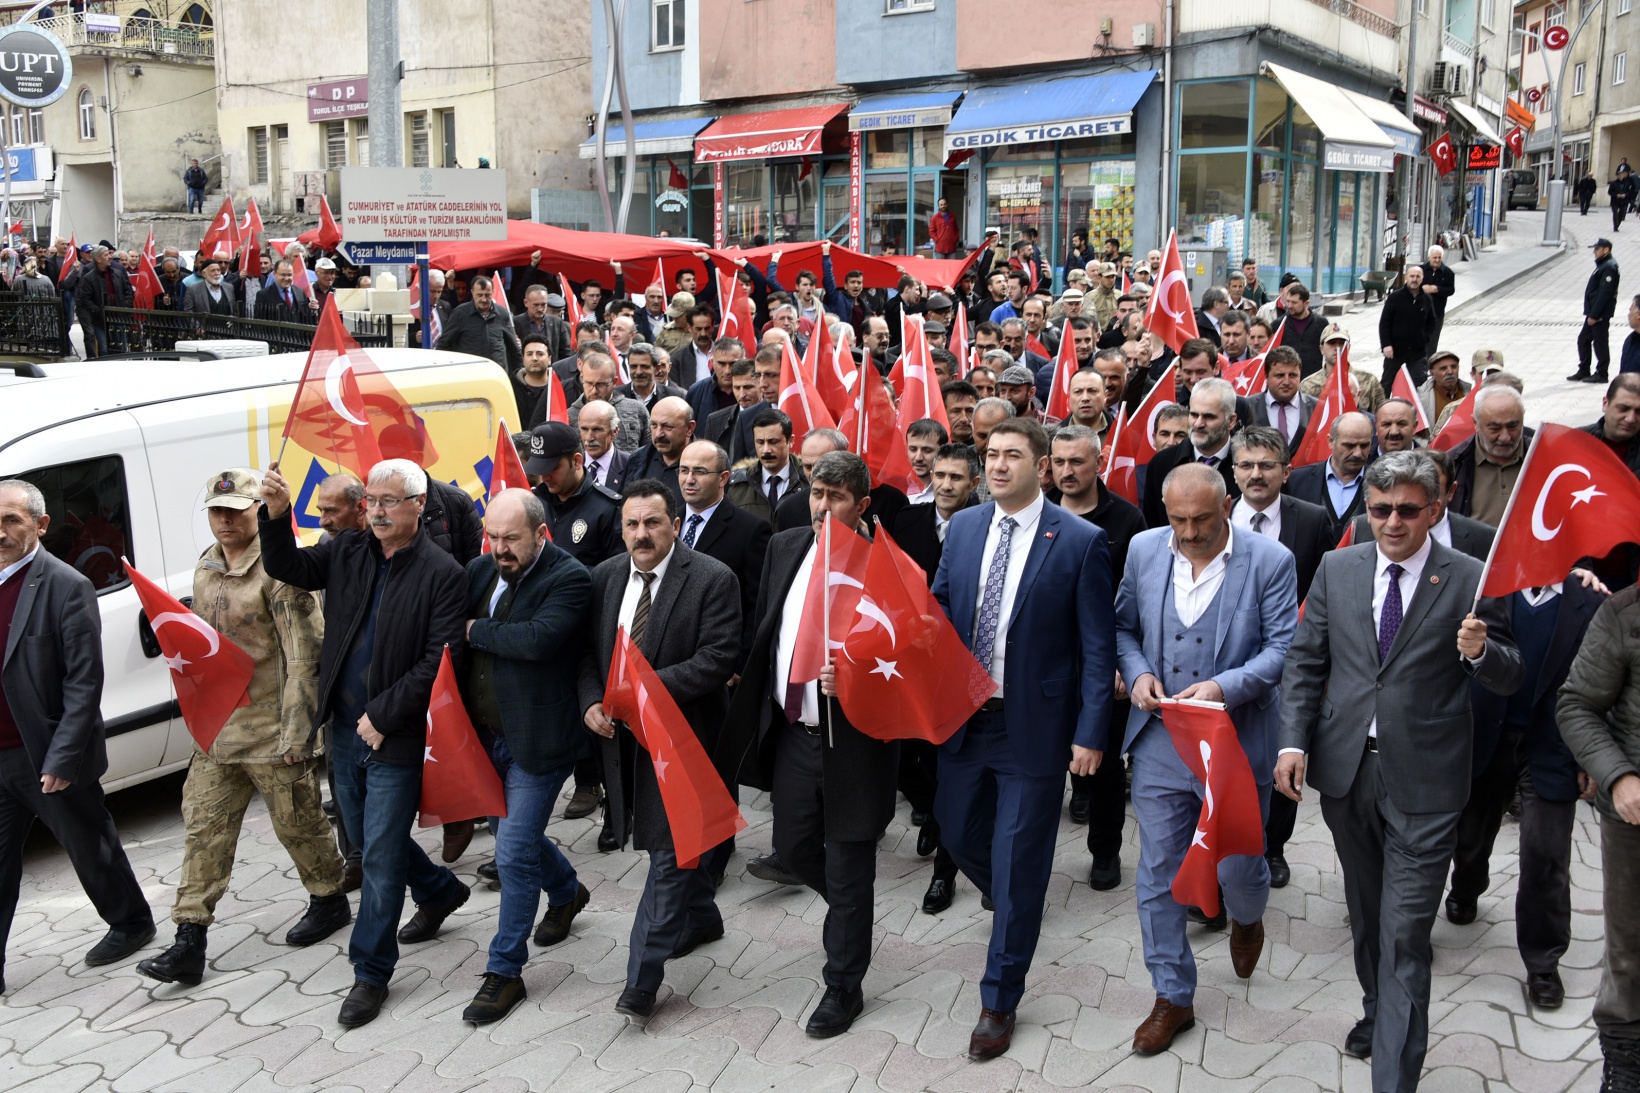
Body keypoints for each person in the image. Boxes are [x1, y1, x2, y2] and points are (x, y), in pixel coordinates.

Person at [1276, 451, 1522, 1093]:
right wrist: (1291, 743)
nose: (1391, 523)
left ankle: (1395, 1077)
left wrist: (1481, 653)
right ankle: (1377, 1008)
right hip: (1349, 774)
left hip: (1428, 782)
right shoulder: (1339, 567)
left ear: (1435, 510)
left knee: (1406, 932)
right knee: (1367, 913)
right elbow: (1306, 662)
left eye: (1407, 511)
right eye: (1379, 509)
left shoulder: (1471, 576)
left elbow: (1509, 672)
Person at [257, 458, 471, 1028]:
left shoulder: (443, 573)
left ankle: (370, 972)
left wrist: (385, 714)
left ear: (418, 506)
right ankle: (439, 890)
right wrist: (275, 515)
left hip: (393, 736)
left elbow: (439, 660)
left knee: (376, 853)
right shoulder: (349, 551)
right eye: (371, 501)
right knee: (373, 841)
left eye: (388, 501)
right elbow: (287, 566)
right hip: (343, 732)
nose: (375, 511)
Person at [932, 417, 1114, 1059]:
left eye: (1013, 454)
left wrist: (1091, 733)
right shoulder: (966, 527)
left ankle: (998, 998)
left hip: (1032, 728)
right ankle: (1017, 894)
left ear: (1041, 465)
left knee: (1016, 860)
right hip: (965, 718)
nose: (999, 465)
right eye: (992, 454)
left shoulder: (1081, 542)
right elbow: (938, 610)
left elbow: (1098, 649)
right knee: (957, 833)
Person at [136, 469, 347, 987]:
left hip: (273, 727)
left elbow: (305, 657)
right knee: (204, 828)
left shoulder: (278, 569)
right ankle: (189, 940)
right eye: (216, 510)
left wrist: (300, 735)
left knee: (298, 825)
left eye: (236, 509)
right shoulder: (207, 565)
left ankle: (329, 898)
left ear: (259, 510)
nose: (225, 520)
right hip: (219, 730)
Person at [717, 452, 900, 1037]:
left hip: (855, 743)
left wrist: (857, 674)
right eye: (817, 493)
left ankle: (843, 984)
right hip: (795, 732)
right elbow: (766, 625)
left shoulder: (887, 564)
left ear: (862, 504)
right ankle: (853, 914)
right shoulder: (785, 545)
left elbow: (910, 651)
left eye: (836, 496)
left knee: (848, 868)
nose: (822, 507)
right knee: (794, 851)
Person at [1116, 462, 1296, 1054]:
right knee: (1159, 871)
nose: (1188, 533)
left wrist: (1223, 687)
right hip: (1162, 740)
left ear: (1226, 508)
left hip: (1235, 746)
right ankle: (1172, 995)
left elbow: (1281, 650)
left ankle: (1246, 918)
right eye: (1177, 520)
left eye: (1200, 520)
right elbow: (1122, 627)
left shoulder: (1270, 561)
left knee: (1239, 869)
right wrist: (1137, 671)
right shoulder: (1145, 549)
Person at [579, 480, 740, 1019]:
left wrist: (639, 688)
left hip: (685, 742)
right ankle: (703, 917)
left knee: (670, 856)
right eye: (631, 524)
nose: (641, 534)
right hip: (625, 747)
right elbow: (586, 657)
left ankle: (641, 982)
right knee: (664, 846)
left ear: (675, 523)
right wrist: (591, 704)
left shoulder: (713, 579)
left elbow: (718, 658)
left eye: (652, 523)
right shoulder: (604, 577)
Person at [0, 479, 156, 989]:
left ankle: (132, 923)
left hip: (45, 752)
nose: (1, 532)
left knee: (90, 846)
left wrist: (62, 758)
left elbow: (84, 680)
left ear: (41, 525)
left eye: (11, 520)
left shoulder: (66, 585)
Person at [457, 489, 593, 1023]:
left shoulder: (569, 577)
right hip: (484, 738)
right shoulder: (478, 570)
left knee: (512, 853)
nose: (499, 548)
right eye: (491, 537)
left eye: (510, 538)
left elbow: (538, 640)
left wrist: (477, 631)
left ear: (541, 534)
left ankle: (504, 971)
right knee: (523, 836)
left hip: (537, 741)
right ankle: (565, 891)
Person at [1444, 573, 1605, 1008]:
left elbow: (1605, 680)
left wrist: (1592, 756)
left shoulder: (1590, 600)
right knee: (1472, 833)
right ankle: (1466, 886)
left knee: (1545, 854)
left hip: (1552, 746)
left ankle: (1543, 961)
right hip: (1488, 737)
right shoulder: (1491, 584)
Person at [1050, 426, 1144, 888]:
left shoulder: (1127, 521)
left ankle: (1105, 852)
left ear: (1098, 463)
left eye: (1077, 462)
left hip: (1102, 665)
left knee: (1104, 763)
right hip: (1046, 664)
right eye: (1059, 462)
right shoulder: (1037, 514)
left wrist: (1124, 663)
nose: (1067, 471)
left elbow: (1138, 599)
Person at [1557, 587, 1640, 1093]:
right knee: (1630, 953)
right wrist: (1617, 776)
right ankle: (1626, 1060)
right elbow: (1577, 705)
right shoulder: (1623, 615)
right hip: (1633, 819)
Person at [677, 440, 771, 673]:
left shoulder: (751, 530)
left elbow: (757, 605)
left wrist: (739, 665)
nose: (689, 479)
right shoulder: (665, 522)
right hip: (669, 661)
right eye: (684, 470)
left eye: (699, 472)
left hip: (718, 667)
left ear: (723, 478)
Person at [1143, 378, 1241, 530]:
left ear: (1231, 421)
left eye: (1209, 417)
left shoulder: (1248, 465)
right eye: (1194, 415)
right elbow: (1153, 527)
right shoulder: (1161, 463)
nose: (1198, 424)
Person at [1446, 385, 1531, 527]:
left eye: (1512, 426)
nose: (1505, 437)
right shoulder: (1452, 464)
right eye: (1494, 429)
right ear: (1476, 424)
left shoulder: (1545, 457)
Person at [1285, 411, 1374, 542]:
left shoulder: (1380, 484)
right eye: (1349, 445)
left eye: (1364, 445)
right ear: (1330, 441)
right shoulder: (1296, 481)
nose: (1357, 453)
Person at [726, 409, 806, 526]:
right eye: (760, 442)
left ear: (790, 441)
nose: (766, 450)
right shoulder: (737, 486)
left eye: (773, 442)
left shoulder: (809, 481)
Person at [438, 274, 523, 374]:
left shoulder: (502, 313)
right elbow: (444, 344)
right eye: (479, 295)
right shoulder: (460, 313)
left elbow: (513, 348)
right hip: (469, 375)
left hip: (496, 375)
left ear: (493, 293)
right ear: (472, 292)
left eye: (487, 295)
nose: (484, 299)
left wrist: (519, 373)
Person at [1572, 238, 1621, 384]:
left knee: (1600, 343)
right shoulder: (1603, 265)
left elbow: (1605, 294)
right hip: (1594, 312)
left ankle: (1602, 373)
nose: (1594, 251)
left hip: (1599, 314)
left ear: (1606, 250)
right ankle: (1584, 369)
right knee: (1583, 340)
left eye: (1597, 249)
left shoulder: (1609, 267)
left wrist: (1594, 314)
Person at [1378, 265, 1432, 391]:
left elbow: (1432, 321)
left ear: (1422, 279)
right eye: (1412, 276)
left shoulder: (1426, 299)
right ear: (1406, 277)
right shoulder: (1394, 298)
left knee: (1420, 384)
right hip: (1395, 351)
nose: (1414, 279)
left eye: (1418, 276)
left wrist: (1425, 337)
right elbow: (1384, 323)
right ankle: (1382, 408)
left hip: (1417, 352)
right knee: (1387, 383)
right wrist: (1386, 344)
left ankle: (1417, 410)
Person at [1418, 349, 1471, 428]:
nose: (1450, 372)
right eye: (1443, 368)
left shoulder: (1469, 393)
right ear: (1433, 373)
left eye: (1453, 367)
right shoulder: (1421, 399)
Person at [1419, 245, 1455, 358]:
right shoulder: (1421, 271)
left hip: (1436, 313)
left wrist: (1437, 289)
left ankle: (1428, 367)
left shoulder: (1448, 273)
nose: (1437, 260)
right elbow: (1409, 287)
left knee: (1432, 343)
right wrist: (1422, 289)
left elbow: (1451, 290)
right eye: (1434, 257)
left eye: (1439, 257)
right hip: (1419, 312)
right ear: (1429, 257)